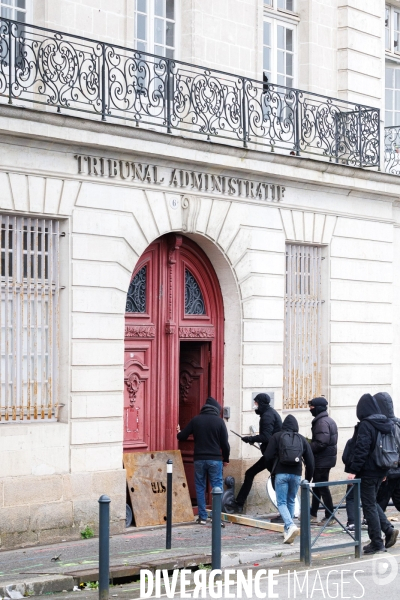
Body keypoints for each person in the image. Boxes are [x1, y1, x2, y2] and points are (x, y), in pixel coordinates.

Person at [347, 393, 398, 554]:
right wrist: (386, 470)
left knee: (368, 506)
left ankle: (376, 541)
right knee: (372, 503)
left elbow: (362, 449)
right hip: (381, 469)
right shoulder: (385, 423)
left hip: (368, 471)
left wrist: (353, 471)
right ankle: (388, 530)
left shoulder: (367, 424)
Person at [177, 396, 230, 525]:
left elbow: (182, 436)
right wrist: (226, 459)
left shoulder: (196, 420)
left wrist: (179, 431)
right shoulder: (219, 422)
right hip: (215, 460)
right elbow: (225, 444)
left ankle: (202, 517)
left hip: (199, 459)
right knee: (217, 487)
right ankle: (217, 517)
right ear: (216, 410)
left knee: (200, 487)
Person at [264, 415, 314, 544]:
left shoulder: (277, 436)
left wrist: (272, 470)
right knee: (291, 500)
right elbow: (310, 461)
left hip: (281, 473)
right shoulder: (301, 439)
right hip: (296, 475)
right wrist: (307, 479)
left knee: (281, 502)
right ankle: (288, 530)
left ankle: (290, 525)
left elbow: (267, 457)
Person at [232, 393, 282, 513]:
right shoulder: (270, 413)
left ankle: (239, 504)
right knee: (253, 474)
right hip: (272, 454)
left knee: (274, 481)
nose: (255, 405)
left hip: (272, 455)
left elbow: (266, 437)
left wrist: (250, 438)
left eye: (256, 403)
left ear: (261, 403)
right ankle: (239, 504)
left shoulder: (267, 416)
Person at [308, 397, 338, 524]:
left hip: (322, 460)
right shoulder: (326, 420)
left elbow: (321, 443)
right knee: (317, 486)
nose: (310, 409)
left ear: (318, 408)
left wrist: (308, 447)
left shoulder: (321, 422)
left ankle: (330, 515)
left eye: (312, 407)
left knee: (322, 486)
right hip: (325, 459)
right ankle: (313, 514)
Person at [373, 392, 400, 513]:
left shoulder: (382, 426)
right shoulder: (398, 423)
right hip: (397, 470)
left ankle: (379, 528)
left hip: (387, 471)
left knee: (379, 502)